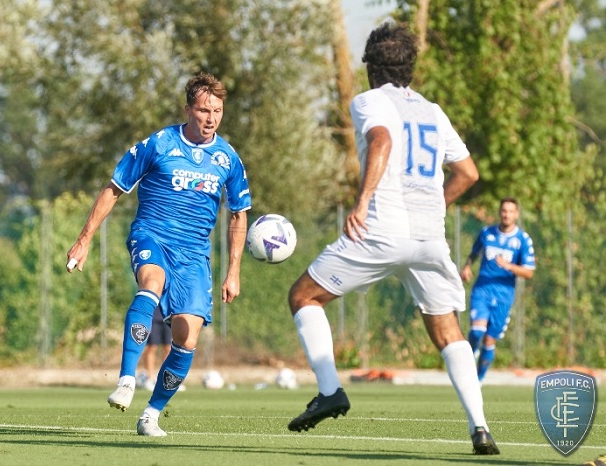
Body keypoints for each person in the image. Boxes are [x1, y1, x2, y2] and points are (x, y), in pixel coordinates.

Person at [286, 23, 500, 455]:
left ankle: (330, 391)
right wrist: (436, 203)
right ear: (410, 68)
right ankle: (480, 428)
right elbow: (468, 173)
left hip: (380, 230)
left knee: (304, 297)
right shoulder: (432, 111)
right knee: (447, 330)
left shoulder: (369, 100)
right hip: (428, 238)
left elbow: (380, 138)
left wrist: (362, 201)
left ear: (371, 67)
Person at [66, 72, 251, 437]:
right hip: (152, 234)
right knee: (152, 281)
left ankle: (151, 414)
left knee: (187, 338)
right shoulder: (159, 143)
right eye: (203, 110)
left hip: (194, 255)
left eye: (217, 110)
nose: (210, 117)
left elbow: (239, 214)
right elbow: (113, 189)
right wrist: (84, 238)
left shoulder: (228, 159)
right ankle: (126, 380)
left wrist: (234, 271)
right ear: (188, 109)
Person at [460, 197, 535, 382]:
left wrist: (509, 266)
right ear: (499, 212)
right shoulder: (486, 233)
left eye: (510, 211)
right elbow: (474, 253)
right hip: (482, 290)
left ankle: (478, 380)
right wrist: (467, 266)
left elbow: (529, 272)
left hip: (504, 295)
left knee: (489, 341)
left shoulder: (522, 240)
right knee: (477, 331)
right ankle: (471, 356)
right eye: (504, 211)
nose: (506, 214)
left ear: (516, 214)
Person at [137, 306, 172, 391]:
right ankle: (149, 378)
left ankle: (167, 380)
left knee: (169, 348)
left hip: (169, 315)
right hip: (154, 317)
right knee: (152, 347)